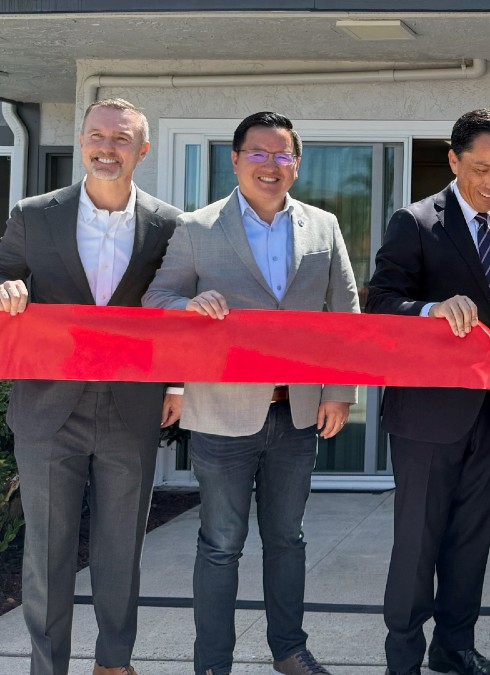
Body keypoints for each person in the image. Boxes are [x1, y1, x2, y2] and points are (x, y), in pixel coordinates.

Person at [142, 111, 359, 675]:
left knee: (288, 539)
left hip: (298, 412)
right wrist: (186, 306)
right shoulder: (196, 227)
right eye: (258, 153)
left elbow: (346, 315)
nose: (270, 164)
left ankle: (289, 650)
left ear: (297, 163)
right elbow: (155, 300)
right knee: (220, 543)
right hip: (220, 414)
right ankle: (213, 662)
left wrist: (340, 391)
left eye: (282, 154)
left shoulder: (324, 226)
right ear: (235, 160)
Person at [0, 97, 180, 675]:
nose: (108, 147)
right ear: (81, 142)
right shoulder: (34, 213)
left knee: (120, 548)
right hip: (48, 406)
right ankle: (47, 668)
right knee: (46, 554)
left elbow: (175, 308)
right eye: (97, 136)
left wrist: (175, 383)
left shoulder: (169, 224)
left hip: (131, 404)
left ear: (142, 150)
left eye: (122, 139)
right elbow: (3, 267)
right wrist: (7, 286)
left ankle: (113, 664)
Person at [365, 108, 490, 675]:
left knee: (471, 542)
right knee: (416, 544)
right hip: (425, 417)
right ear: (452, 160)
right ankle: (403, 659)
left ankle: (454, 648)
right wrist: (429, 309)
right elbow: (380, 301)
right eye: (480, 168)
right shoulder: (414, 222)